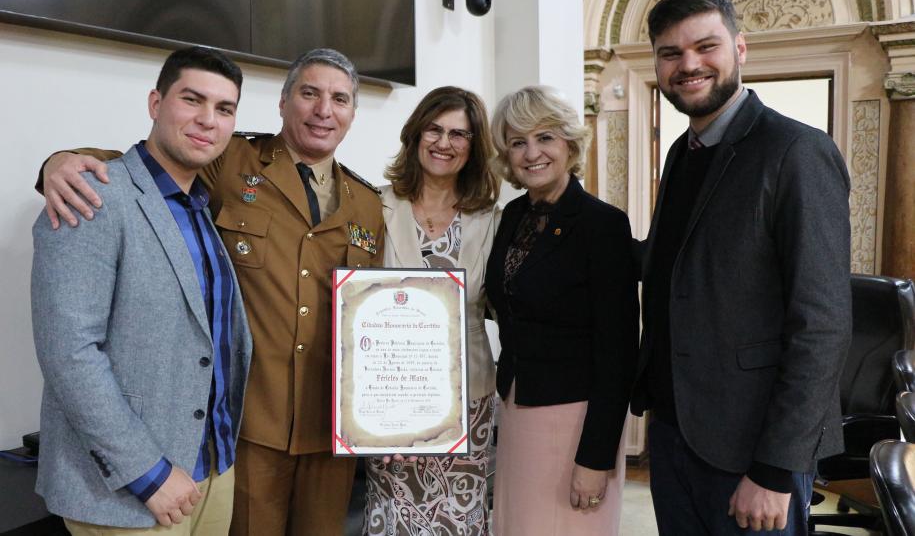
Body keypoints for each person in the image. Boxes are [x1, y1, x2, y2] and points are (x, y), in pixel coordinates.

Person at [37, 48, 385, 536]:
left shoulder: (368, 204)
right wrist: (62, 162)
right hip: (248, 425)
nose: (323, 110)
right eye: (309, 93)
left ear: (352, 113)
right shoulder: (232, 160)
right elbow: (147, 168)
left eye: (339, 99)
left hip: (331, 426)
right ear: (283, 103)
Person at [632, 0, 852, 534]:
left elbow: (821, 325)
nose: (689, 65)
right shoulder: (684, 152)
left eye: (706, 47)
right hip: (676, 433)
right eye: (670, 53)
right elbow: (686, 270)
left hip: (751, 451)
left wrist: (776, 470)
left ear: (740, 48)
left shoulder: (797, 152)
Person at [31, 46, 253, 535]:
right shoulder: (91, 197)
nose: (207, 120)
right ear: (156, 103)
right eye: (191, 100)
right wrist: (147, 474)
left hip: (213, 470)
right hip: (130, 489)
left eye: (224, 109)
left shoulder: (201, 206)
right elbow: (69, 353)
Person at [485, 86, 639, 536]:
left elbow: (619, 353)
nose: (532, 153)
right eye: (517, 142)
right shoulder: (512, 216)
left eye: (545, 137)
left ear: (569, 144)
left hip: (575, 420)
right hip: (517, 409)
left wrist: (594, 458)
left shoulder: (603, 225)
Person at [367, 86, 500, 535]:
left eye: (459, 135)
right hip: (390, 402)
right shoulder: (374, 205)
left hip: (469, 403)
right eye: (435, 129)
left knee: (459, 523)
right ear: (416, 134)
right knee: (395, 522)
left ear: (474, 146)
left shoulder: (492, 219)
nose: (444, 143)